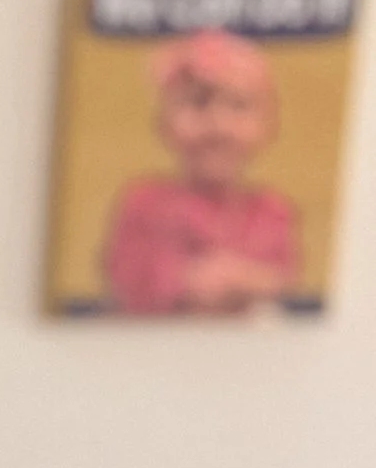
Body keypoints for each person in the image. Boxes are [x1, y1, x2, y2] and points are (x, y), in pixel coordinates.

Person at [100, 26, 301, 315]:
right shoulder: (144, 203)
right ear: (164, 123)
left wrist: (243, 277)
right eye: (198, 103)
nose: (219, 125)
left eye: (238, 106)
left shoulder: (272, 211)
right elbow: (126, 277)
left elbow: (284, 278)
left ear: (268, 125)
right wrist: (186, 280)